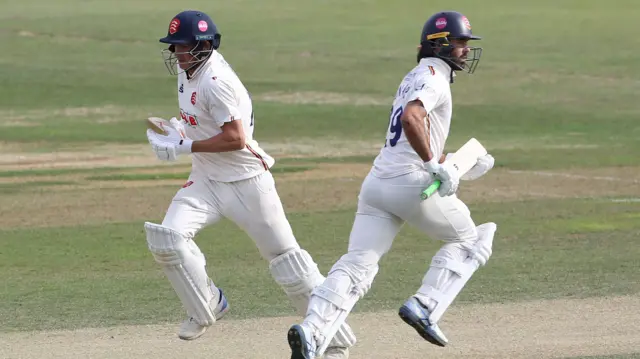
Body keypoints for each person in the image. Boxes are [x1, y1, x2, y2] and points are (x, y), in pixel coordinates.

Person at [143, 10, 355, 358]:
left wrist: (182, 146)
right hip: (206, 180)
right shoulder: (187, 73)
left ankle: (333, 340)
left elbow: (237, 138)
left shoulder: (217, 81)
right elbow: (199, 119)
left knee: (287, 262)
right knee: (167, 239)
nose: (177, 54)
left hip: (247, 183)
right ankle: (208, 303)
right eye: (174, 47)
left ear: (205, 45)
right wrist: (179, 130)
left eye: (183, 47)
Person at [287, 10, 497, 359]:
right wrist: (433, 165)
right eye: (459, 42)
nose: (464, 49)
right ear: (440, 45)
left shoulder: (415, 75)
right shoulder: (435, 78)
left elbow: (413, 133)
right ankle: (425, 304)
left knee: (357, 263)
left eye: (465, 43)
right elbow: (411, 118)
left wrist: (456, 163)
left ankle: (312, 331)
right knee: (472, 239)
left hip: (378, 184)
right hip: (410, 183)